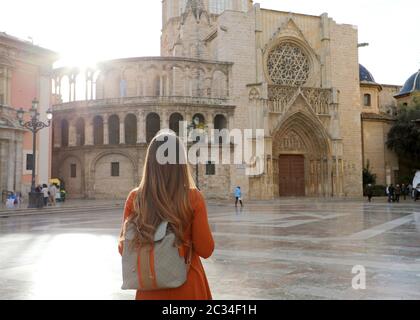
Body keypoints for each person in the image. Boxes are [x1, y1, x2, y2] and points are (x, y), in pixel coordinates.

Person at [118, 132, 214, 300]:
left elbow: (123, 248)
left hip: (150, 289)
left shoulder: (135, 198)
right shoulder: (193, 198)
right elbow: (206, 250)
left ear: (150, 162)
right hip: (187, 286)